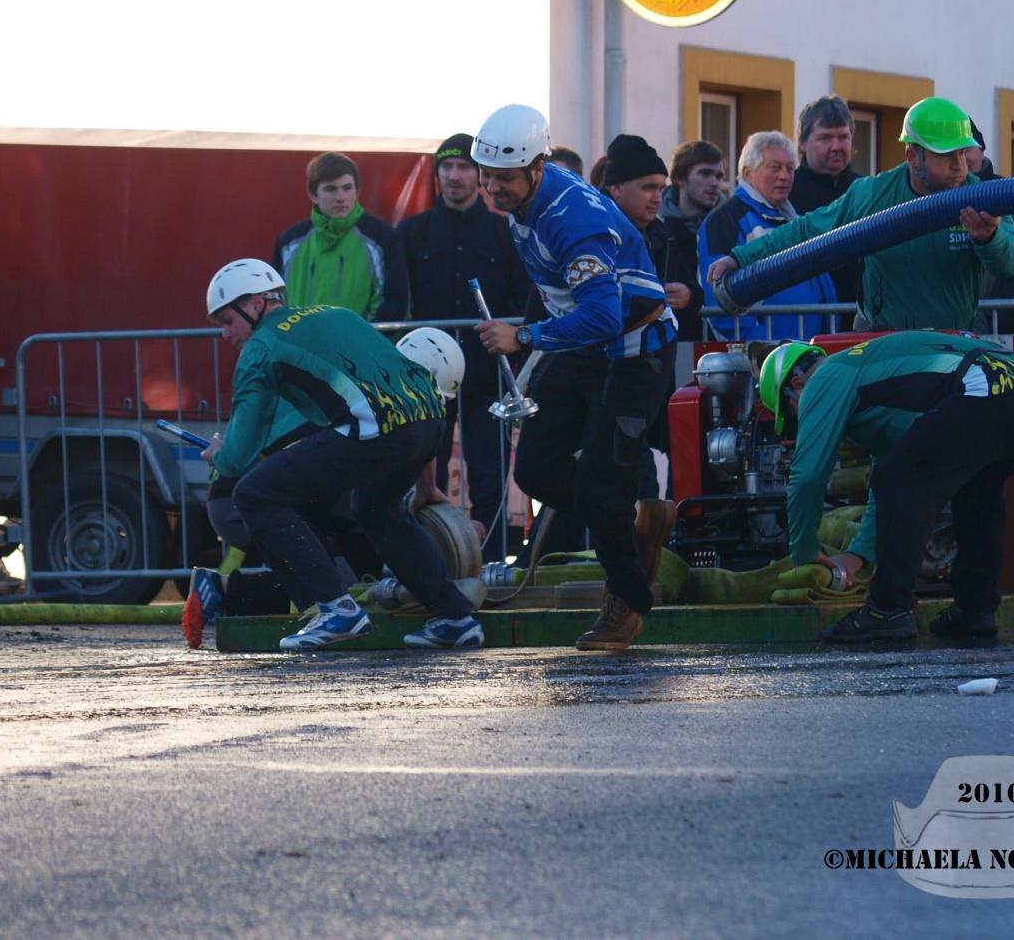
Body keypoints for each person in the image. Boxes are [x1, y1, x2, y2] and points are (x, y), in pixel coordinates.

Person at [470, 105, 677, 651]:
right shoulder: (527, 196)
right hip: (584, 346)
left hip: (634, 351)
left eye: (505, 178)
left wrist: (525, 336)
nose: (492, 188)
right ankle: (631, 522)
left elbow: (604, 317)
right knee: (536, 469)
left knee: (602, 487)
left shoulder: (573, 220)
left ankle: (627, 603)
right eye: (486, 176)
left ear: (537, 168)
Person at [202, 259, 480, 651]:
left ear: (256, 304)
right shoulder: (336, 313)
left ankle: (338, 610)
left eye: (228, 321)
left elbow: (242, 446)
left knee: (253, 493)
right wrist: (425, 485)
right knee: (376, 509)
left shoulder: (261, 347)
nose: (225, 333)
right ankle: (456, 617)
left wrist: (221, 457)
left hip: (376, 429)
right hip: (429, 421)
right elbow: (409, 388)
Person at [758, 332, 1014, 643]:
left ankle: (888, 609)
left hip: (984, 384)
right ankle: (975, 609)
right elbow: (886, 482)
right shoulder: (872, 384)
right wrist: (858, 555)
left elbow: (808, 477)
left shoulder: (826, 377)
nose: (806, 422)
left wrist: (804, 551)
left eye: (795, 415)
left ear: (798, 385)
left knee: (900, 482)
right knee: (977, 494)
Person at [707, 98, 1014, 332]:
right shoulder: (872, 194)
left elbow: (1013, 262)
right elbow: (806, 231)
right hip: (883, 344)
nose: (959, 166)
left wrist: (989, 238)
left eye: (961, 153)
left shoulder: (983, 196)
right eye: (945, 155)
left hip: (952, 342)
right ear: (913, 156)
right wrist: (741, 258)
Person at [397, 133, 530, 559]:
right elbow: (397, 305)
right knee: (423, 478)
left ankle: (491, 564)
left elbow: (522, 301)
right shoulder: (412, 233)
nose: (454, 176)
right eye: (447, 166)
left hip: (486, 373)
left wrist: (517, 348)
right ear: (437, 173)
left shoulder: (504, 232)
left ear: (480, 174)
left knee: (490, 476)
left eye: (464, 167)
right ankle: (426, 562)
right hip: (426, 382)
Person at [601, 133, 702, 498]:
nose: (657, 197)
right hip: (611, 374)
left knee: (664, 465)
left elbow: (693, 289)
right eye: (647, 187)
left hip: (656, 372)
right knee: (630, 479)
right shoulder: (595, 234)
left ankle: (671, 525)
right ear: (616, 189)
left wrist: (688, 295)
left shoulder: (663, 234)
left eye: (661, 187)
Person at [698, 131, 837, 340]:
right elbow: (718, 297)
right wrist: (762, 348)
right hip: (769, 353)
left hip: (806, 348)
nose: (784, 176)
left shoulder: (794, 219)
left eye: (790, 169)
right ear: (747, 173)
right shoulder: (725, 220)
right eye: (775, 167)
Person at [272, 151, 408, 321]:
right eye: (331, 189)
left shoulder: (382, 238)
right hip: (298, 339)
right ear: (313, 194)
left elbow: (394, 305)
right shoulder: (288, 243)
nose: (341, 197)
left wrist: (359, 337)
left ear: (357, 191)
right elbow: (275, 303)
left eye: (347, 188)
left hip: (358, 339)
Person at [789, 95, 861, 304]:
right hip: (805, 313)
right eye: (825, 138)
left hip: (858, 313)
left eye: (843, 137)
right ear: (802, 142)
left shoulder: (864, 189)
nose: (836, 146)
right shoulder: (787, 191)